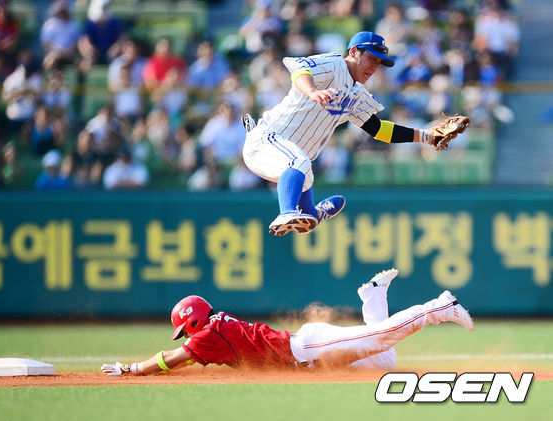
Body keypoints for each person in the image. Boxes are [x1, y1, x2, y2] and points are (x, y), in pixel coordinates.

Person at [242, 31, 466, 236]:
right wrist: (312, 91)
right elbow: (300, 70)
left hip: (290, 164)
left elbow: (379, 129)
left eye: (379, 63)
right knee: (298, 163)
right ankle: (286, 213)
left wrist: (426, 136)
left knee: (305, 180)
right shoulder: (334, 64)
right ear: (353, 52)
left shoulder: (357, 94)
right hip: (267, 141)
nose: (374, 67)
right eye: (372, 58)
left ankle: (315, 213)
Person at [101, 268, 474, 375]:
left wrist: (132, 368)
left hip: (307, 348)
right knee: (383, 360)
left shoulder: (208, 335)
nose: (185, 336)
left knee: (379, 339)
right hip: (310, 354)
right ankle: (373, 296)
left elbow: (171, 359)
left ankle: (439, 307)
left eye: (186, 328)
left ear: (196, 321)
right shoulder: (216, 326)